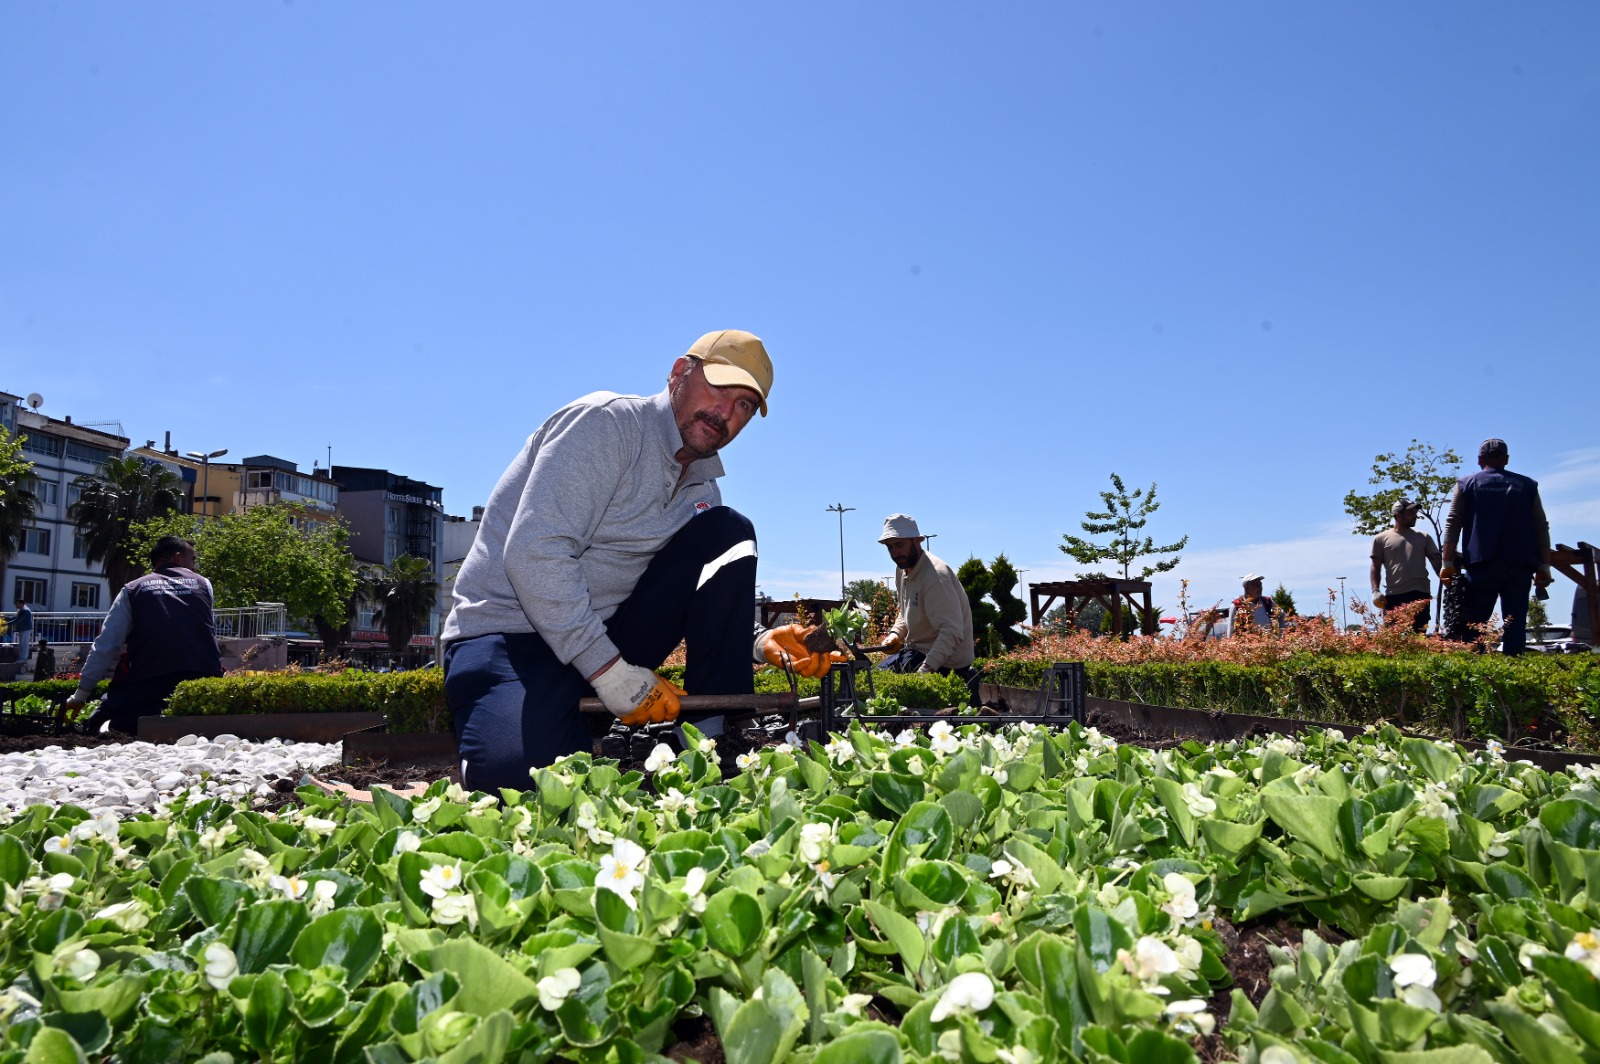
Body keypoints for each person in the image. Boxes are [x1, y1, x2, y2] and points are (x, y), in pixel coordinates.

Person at [440, 330, 840, 790]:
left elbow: (683, 590)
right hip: (510, 639)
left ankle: (713, 743)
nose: (726, 412)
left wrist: (759, 640)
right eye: (719, 387)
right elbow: (534, 552)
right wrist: (609, 673)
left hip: (601, 638)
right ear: (678, 374)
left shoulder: (703, 491)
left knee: (728, 532)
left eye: (746, 405)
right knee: (522, 791)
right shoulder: (605, 425)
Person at [64, 536, 224, 733]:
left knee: (101, 723)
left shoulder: (132, 590)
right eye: (193, 560)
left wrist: (81, 695)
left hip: (150, 679)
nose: (195, 567)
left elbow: (106, 645)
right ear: (177, 558)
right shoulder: (203, 584)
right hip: (204, 677)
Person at [1441, 437, 1553, 655]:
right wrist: (1545, 566)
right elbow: (1541, 525)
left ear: (1479, 459)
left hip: (1481, 564)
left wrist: (1446, 562)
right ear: (1507, 459)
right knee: (1515, 623)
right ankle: (1514, 673)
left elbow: (1453, 521)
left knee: (1475, 625)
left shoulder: (1466, 484)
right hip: (1520, 565)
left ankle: (1475, 675)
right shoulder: (1528, 486)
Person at [875, 514, 976, 677]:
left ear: (917, 541)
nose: (895, 553)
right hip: (917, 651)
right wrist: (895, 634)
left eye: (899, 544)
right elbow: (905, 611)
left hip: (947, 664)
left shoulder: (936, 577)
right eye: (890, 546)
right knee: (874, 679)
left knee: (881, 687)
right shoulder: (902, 569)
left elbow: (951, 632)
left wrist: (924, 672)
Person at [1370, 498, 1443, 633]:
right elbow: (1376, 566)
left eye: (1415, 512)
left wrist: (1449, 577)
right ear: (1398, 515)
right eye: (1410, 513)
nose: (1415, 515)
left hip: (1420, 593)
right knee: (1392, 638)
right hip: (1393, 595)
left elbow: (1438, 564)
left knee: (1419, 635)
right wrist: (1375, 590)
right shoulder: (1381, 539)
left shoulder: (1424, 537)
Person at [11, 601, 33, 667]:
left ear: (21, 604)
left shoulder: (25, 611)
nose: (16, 606)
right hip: (23, 629)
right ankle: (21, 657)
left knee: (24, 644)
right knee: (21, 644)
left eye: (17, 604)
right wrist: (6, 618)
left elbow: (18, 620)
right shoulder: (21, 610)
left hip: (26, 629)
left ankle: (23, 658)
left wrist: (7, 623)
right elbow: (15, 618)